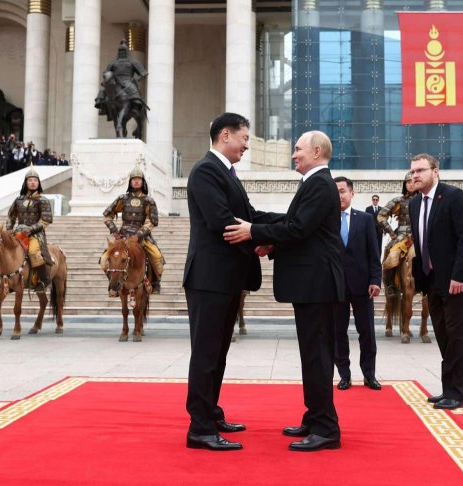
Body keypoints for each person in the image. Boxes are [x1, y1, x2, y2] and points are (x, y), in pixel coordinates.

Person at [225, 130, 345, 452]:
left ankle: (326, 429)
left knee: (318, 356)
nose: (294, 155)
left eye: (298, 149)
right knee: (311, 355)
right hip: (311, 284)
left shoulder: (320, 184)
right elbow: (303, 231)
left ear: (317, 151)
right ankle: (314, 416)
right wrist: (272, 244)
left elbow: (299, 228)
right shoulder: (314, 183)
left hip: (318, 284)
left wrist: (253, 231)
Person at [182, 112, 282, 451]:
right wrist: (262, 237)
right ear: (226, 134)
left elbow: (250, 217)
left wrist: (295, 222)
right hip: (209, 278)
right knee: (206, 352)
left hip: (225, 278)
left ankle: (211, 411)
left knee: (219, 352)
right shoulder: (206, 171)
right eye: (244, 138)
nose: (246, 145)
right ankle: (199, 427)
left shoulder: (226, 173)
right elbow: (222, 222)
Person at [408, 153, 463, 410]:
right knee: (442, 334)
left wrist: (458, 276)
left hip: (458, 280)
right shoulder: (414, 204)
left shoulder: (454, 196)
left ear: (435, 171)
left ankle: (457, 393)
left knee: (458, 336)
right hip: (432, 280)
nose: (415, 175)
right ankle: (448, 389)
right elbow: (422, 244)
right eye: (413, 172)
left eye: (420, 170)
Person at [332, 176, 382, 391]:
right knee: (338, 334)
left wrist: (375, 280)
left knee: (367, 333)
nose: (339, 195)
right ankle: (344, 375)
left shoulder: (365, 219)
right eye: (335, 192)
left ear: (352, 193)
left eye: (343, 191)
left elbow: (374, 253)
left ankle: (369, 375)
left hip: (363, 286)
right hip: (335, 288)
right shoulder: (325, 220)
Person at [101, 166, 165, 295]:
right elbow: (107, 215)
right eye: (133, 179)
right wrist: (114, 231)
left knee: (157, 257)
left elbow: (151, 221)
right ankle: (114, 284)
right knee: (104, 260)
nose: (136, 181)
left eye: (138, 179)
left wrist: (140, 234)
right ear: (130, 182)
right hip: (123, 235)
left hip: (141, 235)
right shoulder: (123, 199)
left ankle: (155, 283)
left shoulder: (149, 201)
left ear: (143, 182)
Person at [5, 168, 54, 291]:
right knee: (3, 249)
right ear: (26, 183)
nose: (33, 182)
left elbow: (45, 220)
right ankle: (2, 278)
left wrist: (31, 229)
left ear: (39, 183)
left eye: (35, 180)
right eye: (30, 180)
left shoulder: (43, 200)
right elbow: (11, 216)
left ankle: (43, 280)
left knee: (32, 252)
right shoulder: (18, 199)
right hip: (18, 233)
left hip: (36, 235)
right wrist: (9, 229)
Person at [377, 172, 416, 295]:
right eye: (408, 182)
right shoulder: (398, 200)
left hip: (423, 235)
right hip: (402, 236)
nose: (411, 184)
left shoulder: (426, 199)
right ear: (405, 185)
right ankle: (391, 286)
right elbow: (381, 215)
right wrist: (391, 232)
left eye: (413, 181)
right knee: (391, 255)